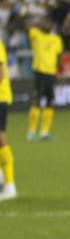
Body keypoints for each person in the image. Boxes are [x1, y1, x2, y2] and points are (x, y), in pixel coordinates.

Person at [27, 19, 63, 142]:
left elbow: (59, 56)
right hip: (40, 72)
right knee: (37, 100)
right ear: (40, 25)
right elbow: (27, 27)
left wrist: (59, 67)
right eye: (45, 23)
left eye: (49, 23)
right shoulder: (36, 34)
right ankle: (31, 131)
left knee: (50, 101)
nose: (47, 25)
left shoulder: (56, 39)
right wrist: (36, 23)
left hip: (51, 73)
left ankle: (44, 132)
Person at [0, 38, 15, 200]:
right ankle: (2, 180)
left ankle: (10, 187)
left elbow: (0, 74)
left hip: (0, 97)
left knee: (1, 139)